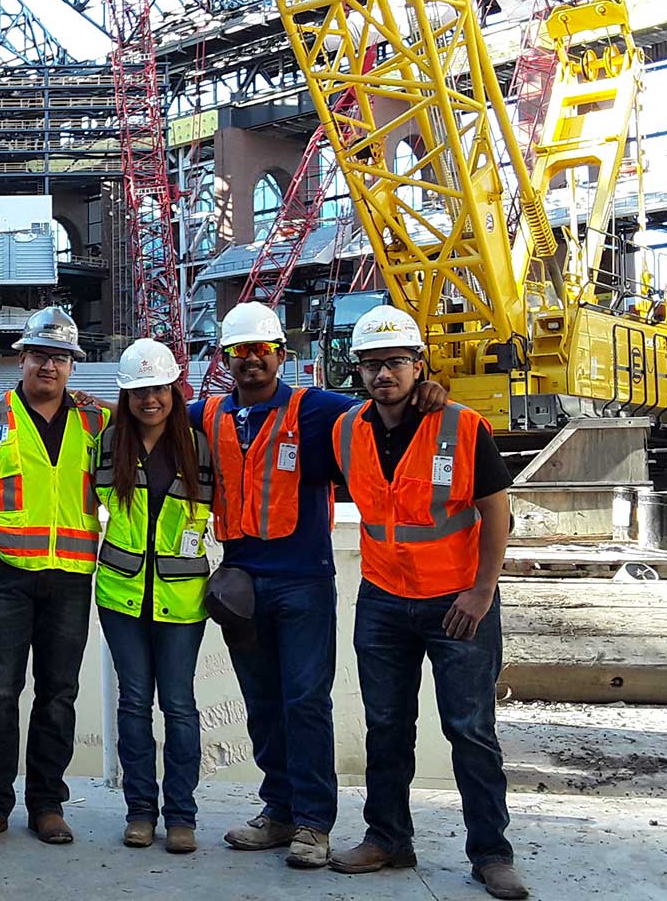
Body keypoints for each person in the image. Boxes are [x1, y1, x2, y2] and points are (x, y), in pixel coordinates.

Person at [192, 301, 444, 870]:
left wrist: (431, 394)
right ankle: (278, 810)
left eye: (262, 350)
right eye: (239, 351)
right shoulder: (207, 415)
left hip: (303, 583)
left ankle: (312, 824)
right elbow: (146, 412)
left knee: (305, 701)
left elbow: (387, 409)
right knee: (262, 703)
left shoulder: (317, 410)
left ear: (281, 354)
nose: (251, 360)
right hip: (241, 585)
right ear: (225, 358)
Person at [325, 307, 526, 900]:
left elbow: (495, 510)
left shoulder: (461, 425)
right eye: (370, 364)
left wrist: (483, 590)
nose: (382, 374)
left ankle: (492, 853)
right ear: (358, 371)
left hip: (458, 601)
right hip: (384, 600)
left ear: (418, 365)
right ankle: (388, 838)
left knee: (470, 730)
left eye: (393, 362)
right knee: (387, 726)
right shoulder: (347, 430)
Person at [0, 306, 108, 847]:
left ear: (73, 367)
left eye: (59, 358)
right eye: (40, 356)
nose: (49, 367)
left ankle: (47, 804)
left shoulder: (95, 422)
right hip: (3, 576)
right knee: (0, 691)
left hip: (71, 577)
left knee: (58, 693)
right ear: (21, 359)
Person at [92, 339, 212, 854]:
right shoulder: (109, 441)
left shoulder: (198, 444)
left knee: (180, 706)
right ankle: (140, 812)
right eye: (139, 391)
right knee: (135, 704)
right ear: (125, 395)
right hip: (121, 596)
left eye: (159, 389)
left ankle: (181, 816)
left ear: (174, 389)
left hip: (183, 600)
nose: (150, 400)